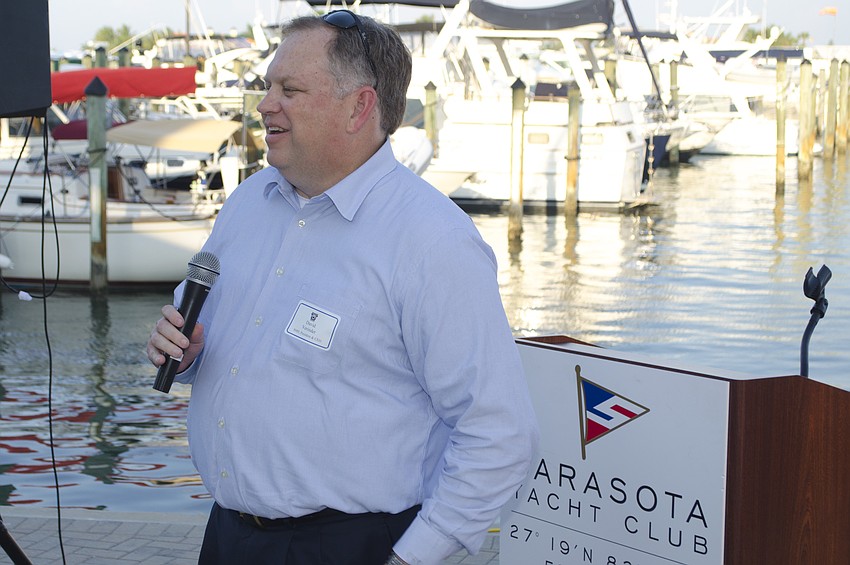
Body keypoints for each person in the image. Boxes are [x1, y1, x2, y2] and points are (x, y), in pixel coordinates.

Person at [146, 10, 538, 565]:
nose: (265, 105)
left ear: (359, 107)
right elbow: (229, 349)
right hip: (229, 536)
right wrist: (185, 355)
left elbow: (498, 431)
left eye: (291, 89)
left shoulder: (432, 242)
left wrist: (416, 557)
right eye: (267, 87)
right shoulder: (248, 202)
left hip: (354, 547)